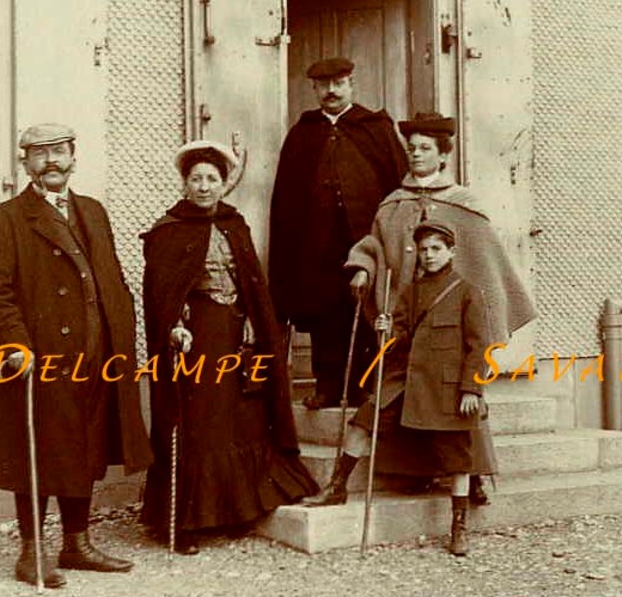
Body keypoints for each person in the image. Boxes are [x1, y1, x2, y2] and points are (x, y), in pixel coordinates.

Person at [0, 123, 153, 588]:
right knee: (35, 451)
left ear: (74, 156)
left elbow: (110, 278)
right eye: (40, 154)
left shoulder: (93, 211)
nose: (51, 161)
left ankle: (76, 543)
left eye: (59, 151)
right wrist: (13, 345)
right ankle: (31, 552)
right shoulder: (6, 218)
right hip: (39, 359)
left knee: (86, 446)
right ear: (24, 162)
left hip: (97, 354)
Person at [345, 112, 537, 504]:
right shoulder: (392, 204)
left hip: (451, 332)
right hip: (407, 324)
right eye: (411, 149)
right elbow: (375, 245)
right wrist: (363, 266)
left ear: (442, 155)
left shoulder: (464, 206)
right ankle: (415, 474)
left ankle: (476, 477)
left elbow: (483, 267)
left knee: (462, 403)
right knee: (403, 395)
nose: (416, 155)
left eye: (425, 149)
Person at [140, 140, 318, 553]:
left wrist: (258, 325)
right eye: (196, 179)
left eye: (212, 179)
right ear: (184, 184)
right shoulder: (169, 230)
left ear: (224, 184)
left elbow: (252, 282)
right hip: (197, 339)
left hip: (238, 335)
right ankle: (184, 522)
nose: (204, 187)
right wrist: (174, 325)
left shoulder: (235, 225)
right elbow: (161, 293)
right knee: (199, 423)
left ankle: (235, 510)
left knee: (241, 419)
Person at [305, 221, 490, 557]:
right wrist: (386, 330)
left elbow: (479, 348)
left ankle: (458, 525)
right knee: (362, 423)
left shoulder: (467, 291)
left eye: (436, 249)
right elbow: (398, 339)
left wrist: (471, 390)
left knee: (457, 455)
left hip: (445, 386)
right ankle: (337, 487)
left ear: (451, 252)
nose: (429, 255)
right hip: (405, 380)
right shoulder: (411, 291)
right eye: (423, 249)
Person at [268, 57, 407, 409]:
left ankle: (367, 386)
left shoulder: (374, 128)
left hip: (368, 241)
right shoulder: (302, 133)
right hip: (318, 245)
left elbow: (397, 184)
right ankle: (327, 385)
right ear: (314, 89)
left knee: (369, 310)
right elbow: (285, 198)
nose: (331, 91)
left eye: (339, 83)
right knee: (324, 311)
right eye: (324, 85)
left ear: (351, 84)